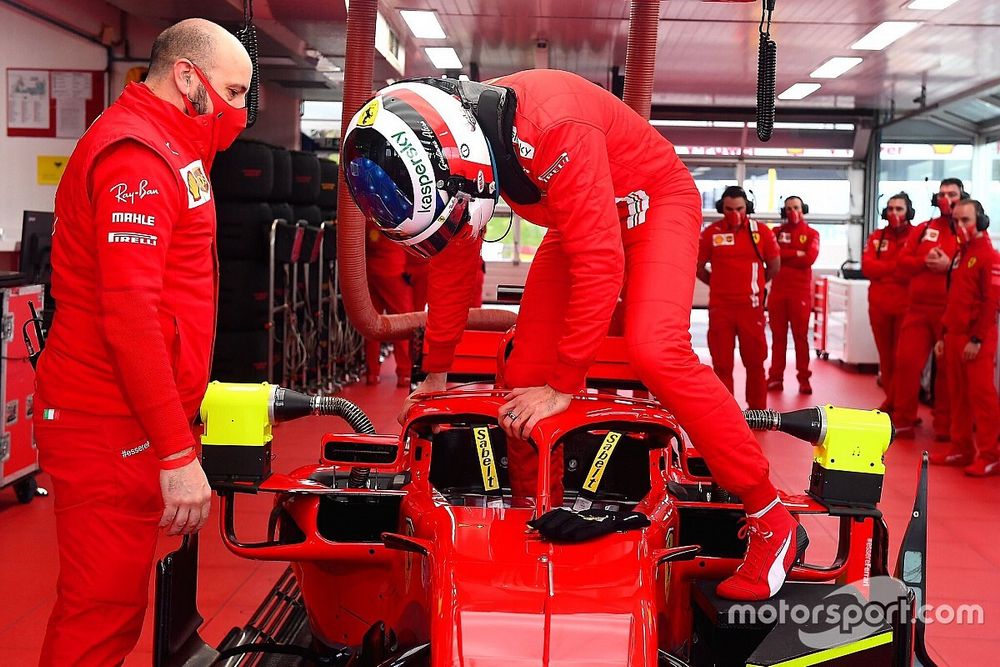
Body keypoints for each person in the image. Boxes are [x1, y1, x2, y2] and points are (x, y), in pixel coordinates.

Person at [341, 72, 807, 601]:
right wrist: (436, 371)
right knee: (522, 373)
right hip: (578, 216)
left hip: (653, 203)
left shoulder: (552, 124)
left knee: (655, 348)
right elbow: (454, 260)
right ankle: (534, 510)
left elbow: (601, 264)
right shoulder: (449, 147)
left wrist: (564, 383)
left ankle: (771, 516)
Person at [32, 19, 251, 666]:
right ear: (188, 78)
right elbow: (131, 315)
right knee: (97, 618)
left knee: (113, 611)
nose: (241, 113)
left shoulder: (176, 147)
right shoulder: (138, 157)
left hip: (132, 418)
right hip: (105, 425)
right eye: (234, 93)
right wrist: (176, 449)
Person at [890, 178, 966, 439]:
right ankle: (903, 420)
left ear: (962, 196)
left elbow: (972, 266)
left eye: (952, 193)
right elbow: (903, 262)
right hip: (918, 309)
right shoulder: (923, 229)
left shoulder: (967, 229)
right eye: (942, 193)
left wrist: (949, 264)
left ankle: (945, 425)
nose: (946, 198)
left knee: (946, 371)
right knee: (907, 363)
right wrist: (925, 261)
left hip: (949, 311)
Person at [697, 185, 781, 410]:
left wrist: (755, 286)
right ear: (721, 209)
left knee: (755, 363)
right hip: (720, 309)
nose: (735, 214)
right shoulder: (711, 233)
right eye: (729, 209)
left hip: (750, 309)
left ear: (748, 208)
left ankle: (757, 411)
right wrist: (717, 284)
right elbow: (698, 266)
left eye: (740, 209)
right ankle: (727, 412)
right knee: (721, 364)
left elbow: (773, 266)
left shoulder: (761, 232)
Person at [932, 200, 1000, 475]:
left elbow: (991, 304)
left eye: (966, 220)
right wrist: (943, 335)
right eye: (956, 221)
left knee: (982, 397)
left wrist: (978, 339)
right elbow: (951, 299)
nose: (960, 226)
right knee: (957, 395)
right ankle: (960, 447)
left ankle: (990, 454)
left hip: (976, 340)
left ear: (981, 222)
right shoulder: (960, 255)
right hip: (954, 335)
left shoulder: (989, 257)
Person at [862, 193, 915, 411]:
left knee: (903, 360)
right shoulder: (876, 236)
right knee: (885, 357)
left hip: (907, 307)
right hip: (879, 306)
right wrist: (896, 267)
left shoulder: (916, 236)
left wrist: (884, 270)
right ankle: (892, 400)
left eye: (899, 209)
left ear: (908, 212)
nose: (894, 213)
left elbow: (911, 270)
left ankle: (898, 403)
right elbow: (868, 267)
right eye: (891, 208)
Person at [767, 196, 820, 395]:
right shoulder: (776, 232)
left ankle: (804, 379)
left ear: (803, 209)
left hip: (800, 294)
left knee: (800, 338)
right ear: (784, 211)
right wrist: (795, 253)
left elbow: (809, 259)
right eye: (789, 208)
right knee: (778, 338)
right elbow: (772, 255)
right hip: (778, 293)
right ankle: (775, 378)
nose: (793, 212)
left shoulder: (812, 233)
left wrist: (785, 254)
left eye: (796, 207)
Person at [365, 218, 414, 386]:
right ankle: (404, 373)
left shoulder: (368, 214)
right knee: (402, 324)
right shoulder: (398, 211)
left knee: (371, 324)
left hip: (370, 272)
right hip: (394, 271)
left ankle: (372, 374)